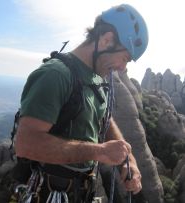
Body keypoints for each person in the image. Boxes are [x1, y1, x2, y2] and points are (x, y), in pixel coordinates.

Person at [13, 3, 148, 203]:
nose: (122, 68)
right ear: (106, 40)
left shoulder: (95, 77)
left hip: (80, 190)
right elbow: (26, 144)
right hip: (49, 192)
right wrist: (100, 151)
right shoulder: (55, 75)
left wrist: (128, 162)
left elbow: (103, 117)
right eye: (125, 58)